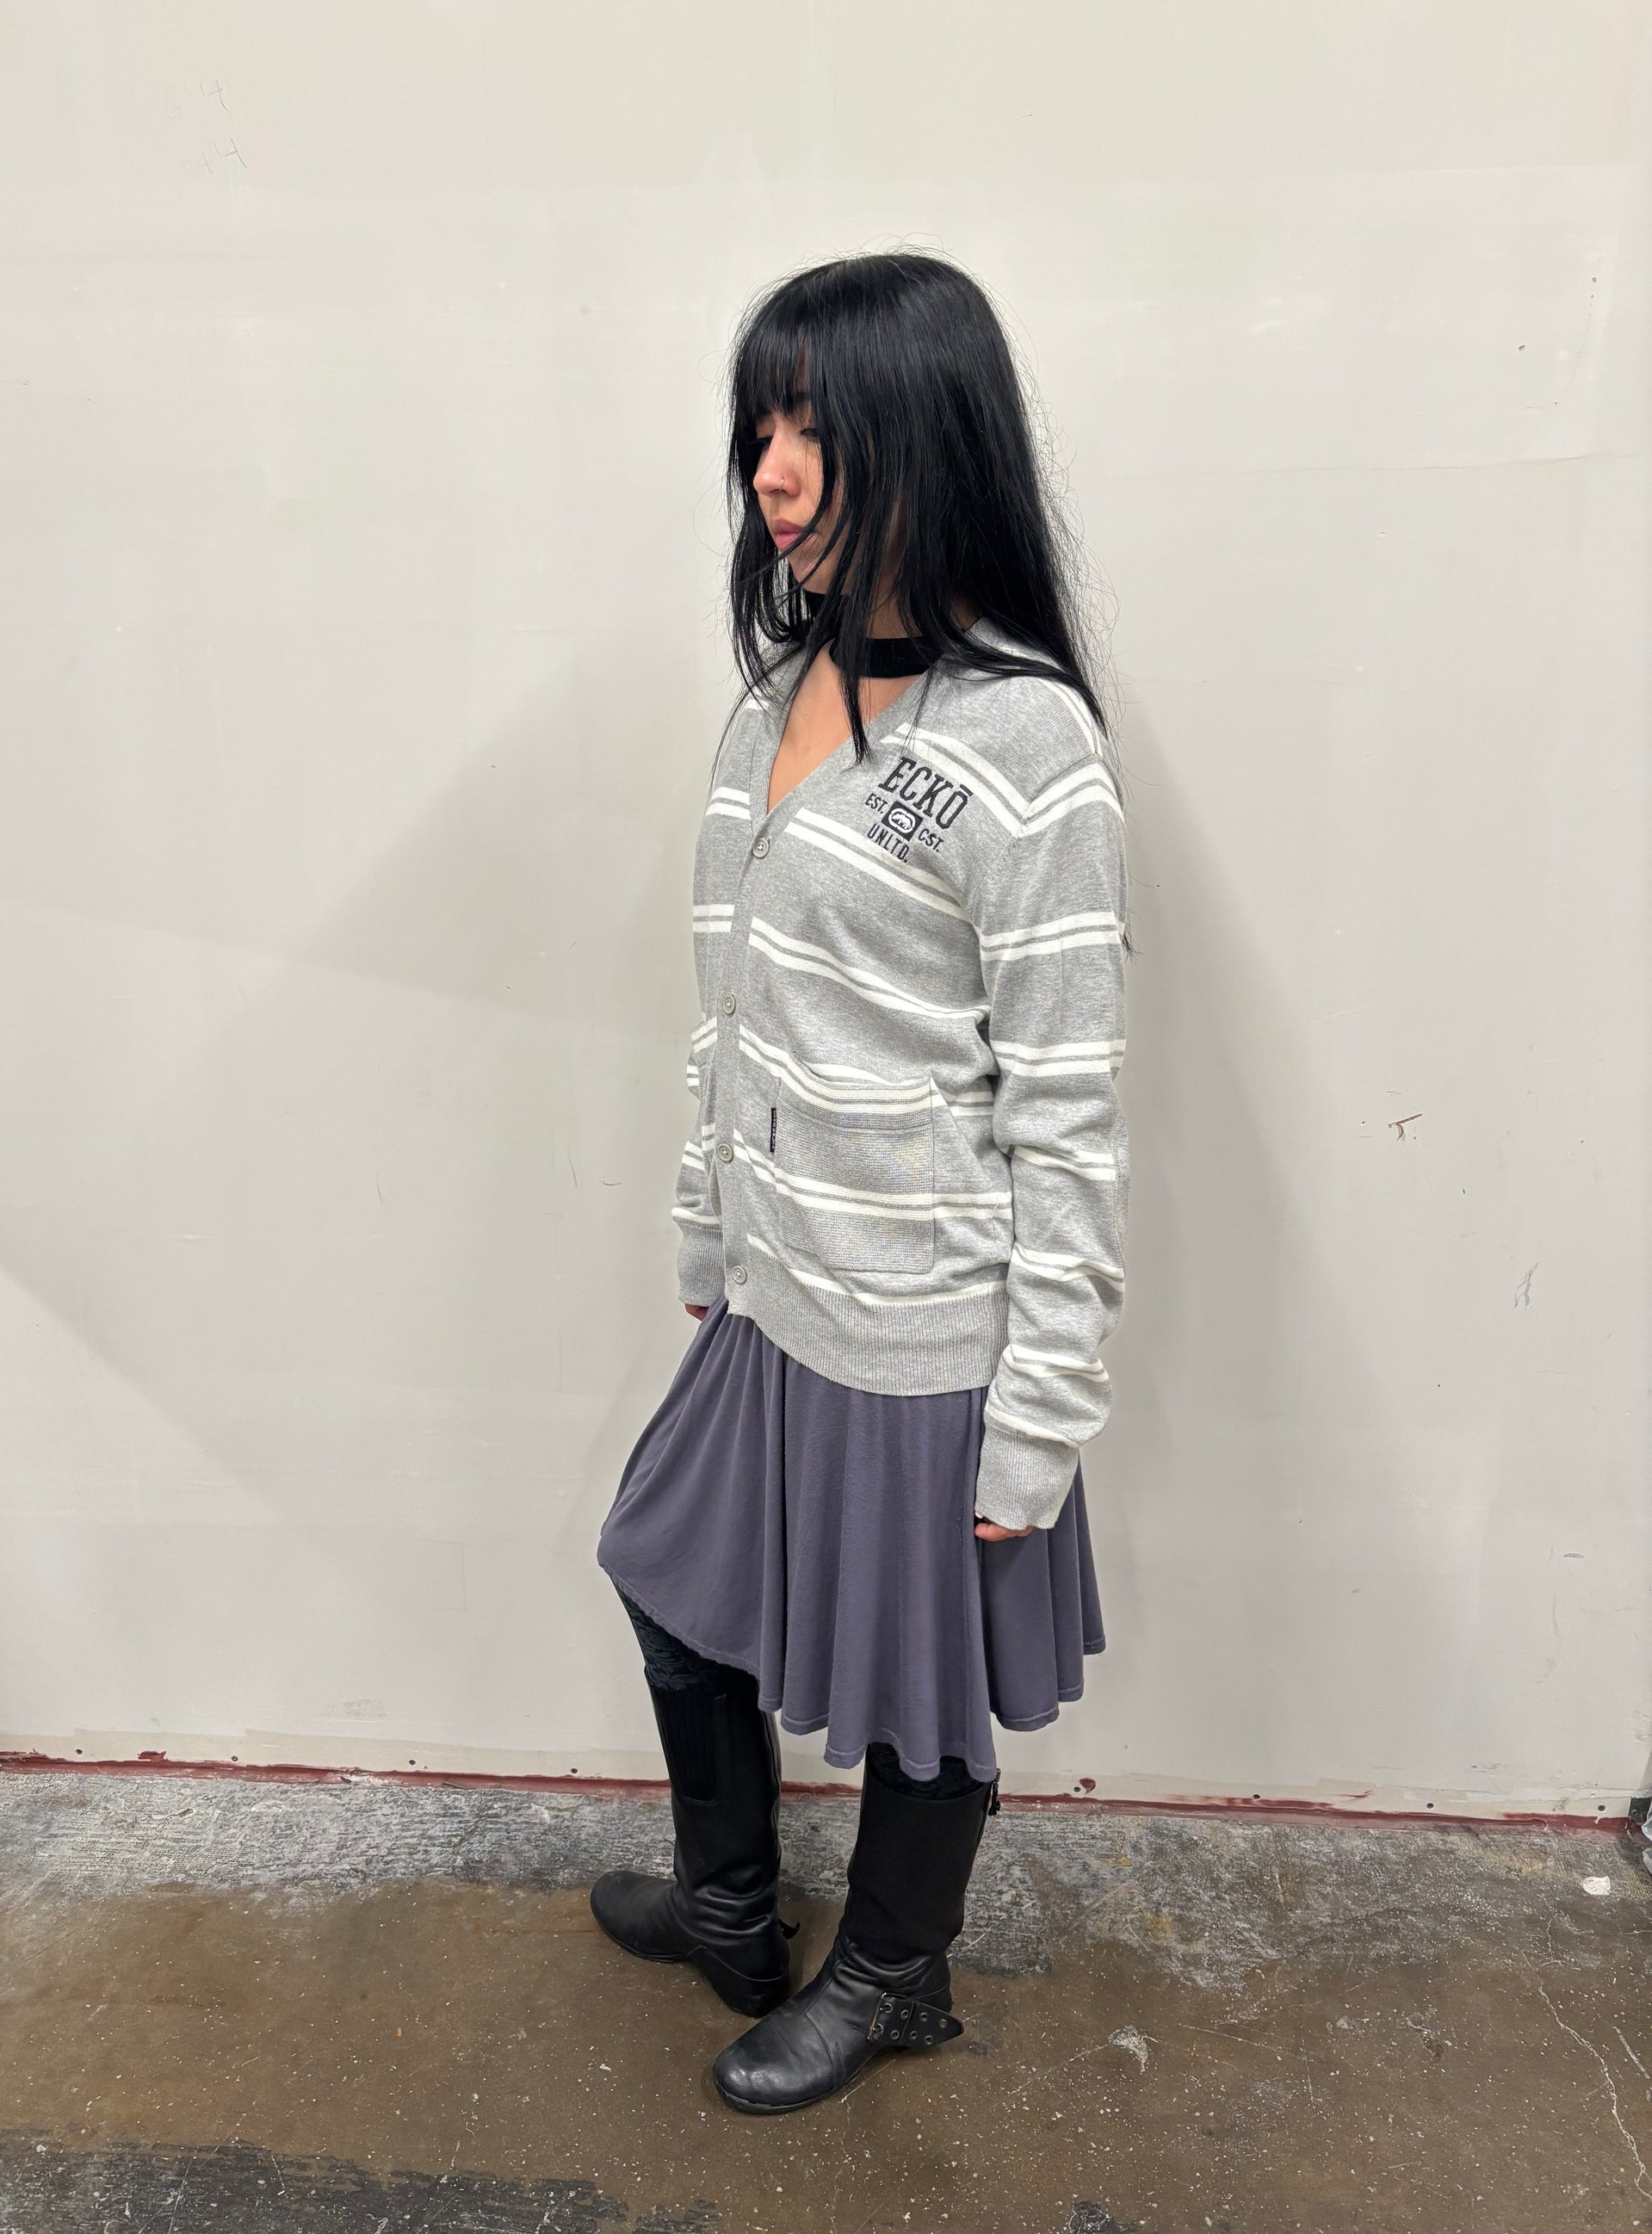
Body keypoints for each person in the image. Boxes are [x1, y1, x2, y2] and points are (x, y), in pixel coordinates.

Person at [591, 250, 1129, 2115]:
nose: (773, 469)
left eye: (814, 424)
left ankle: (893, 1972)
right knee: (666, 1573)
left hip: (922, 1326)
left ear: (929, 434)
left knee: (920, 1679)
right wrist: (705, 1218)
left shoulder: (1027, 747)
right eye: (758, 425)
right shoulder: (776, 700)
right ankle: (730, 1906)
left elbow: (1066, 1111)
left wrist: (1039, 1412)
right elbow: (733, 1005)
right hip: (773, 1286)